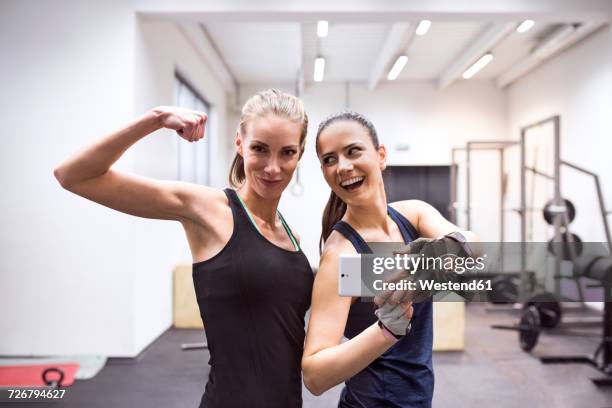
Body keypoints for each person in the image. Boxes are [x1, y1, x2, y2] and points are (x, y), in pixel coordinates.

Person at [54, 89, 314, 408]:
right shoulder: (209, 209)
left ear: (299, 153)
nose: (273, 168)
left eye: (287, 152)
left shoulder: (292, 236)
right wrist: (156, 118)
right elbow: (74, 175)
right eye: (260, 149)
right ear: (239, 144)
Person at [301, 111, 479, 407]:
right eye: (329, 160)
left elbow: (475, 247)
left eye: (353, 151)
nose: (343, 166)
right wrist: (385, 331)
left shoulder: (414, 214)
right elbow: (314, 376)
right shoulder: (342, 255)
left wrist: (438, 255)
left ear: (381, 155)